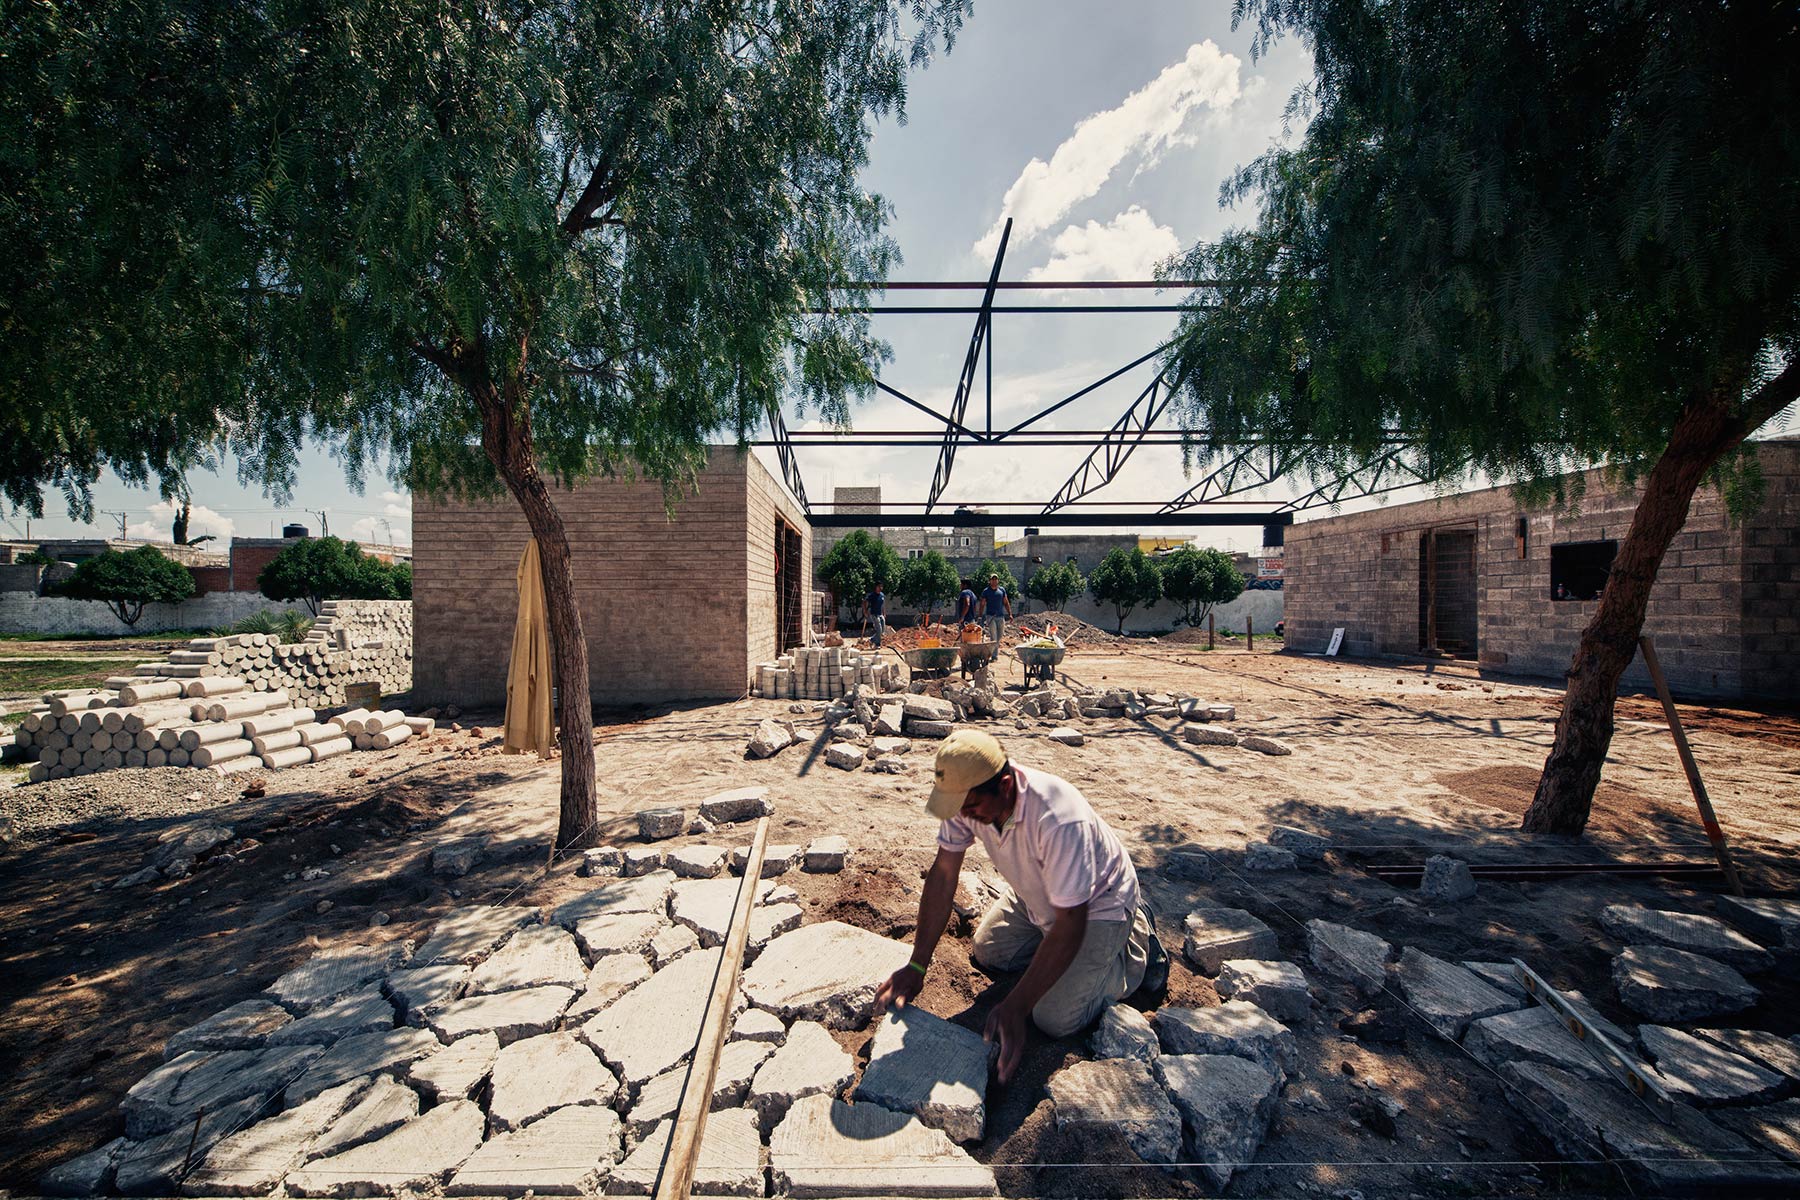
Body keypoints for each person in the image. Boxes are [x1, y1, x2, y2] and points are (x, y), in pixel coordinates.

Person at [873, 730, 1168, 1083]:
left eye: (970, 807)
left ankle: (1135, 948)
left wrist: (1017, 1006)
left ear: (1005, 786)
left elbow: (1071, 924)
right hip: (1041, 891)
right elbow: (944, 873)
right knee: (990, 952)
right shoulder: (965, 796)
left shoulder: (1058, 818)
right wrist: (917, 964)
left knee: (1053, 1018)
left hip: (1098, 906)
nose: (963, 815)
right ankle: (1062, 961)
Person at [979, 573, 1011, 643]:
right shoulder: (986, 591)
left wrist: (1010, 614)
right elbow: (982, 604)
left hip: (1000, 616)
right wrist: (980, 616)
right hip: (991, 616)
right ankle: (994, 650)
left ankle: (994, 648)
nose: (994, 581)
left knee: (1000, 636)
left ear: (998, 580)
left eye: (995, 579)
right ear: (989, 581)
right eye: (992, 579)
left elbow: (1006, 602)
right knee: (994, 636)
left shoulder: (1002, 590)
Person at [862, 581, 887, 648]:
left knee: (882, 631)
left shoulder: (882, 595)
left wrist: (884, 612)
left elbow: (883, 604)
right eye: (879, 586)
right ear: (876, 587)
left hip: (880, 614)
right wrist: (865, 611)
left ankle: (871, 640)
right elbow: (864, 602)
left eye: (881, 586)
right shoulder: (872, 595)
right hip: (874, 614)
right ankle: (877, 644)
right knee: (879, 630)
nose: (880, 588)